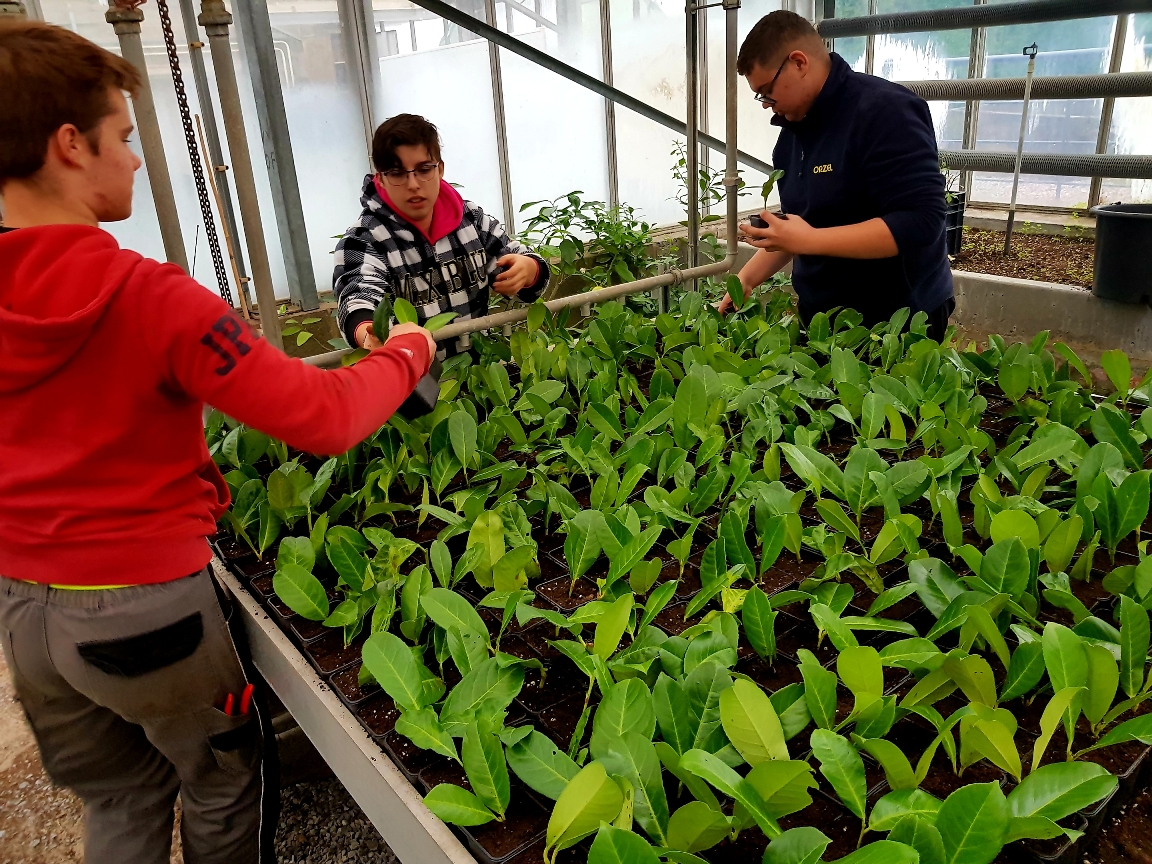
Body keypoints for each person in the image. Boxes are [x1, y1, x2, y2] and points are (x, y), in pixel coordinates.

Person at [0, 21, 435, 864]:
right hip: (147, 613)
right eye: (123, 137)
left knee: (122, 796)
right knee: (223, 783)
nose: (133, 158)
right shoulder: (153, 299)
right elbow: (326, 416)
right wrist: (407, 350)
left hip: (24, 609)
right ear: (68, 145)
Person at [719, 10, 955, 341]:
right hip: (824, 321)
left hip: (897, 323)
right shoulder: (792, 137)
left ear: (799, 63)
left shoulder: (884, 112)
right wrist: (745, 280)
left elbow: (921, 221)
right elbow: (802, 225)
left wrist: (808, 240)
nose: (765, 104)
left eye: (767, 92)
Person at [333, 113, 550, 359]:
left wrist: (529, 270)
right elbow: (358, 296)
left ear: (440, 170)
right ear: (380, 178)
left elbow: (516, 263)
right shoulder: (364, 240)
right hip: (416, 386)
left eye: (424, 169)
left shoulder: (471, 220)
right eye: (397, 173)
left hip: (483, 377)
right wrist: (368, 330)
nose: (413, 184)